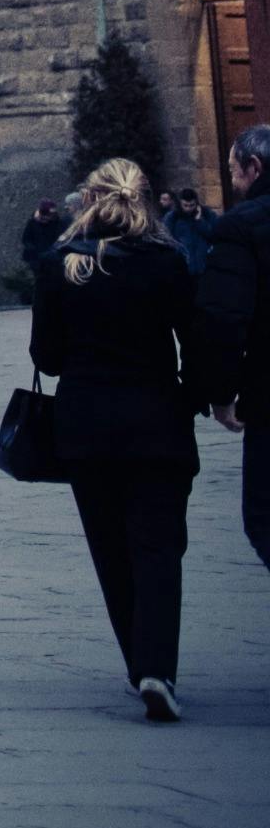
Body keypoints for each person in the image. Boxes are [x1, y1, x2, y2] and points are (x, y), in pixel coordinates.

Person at [29, 158, 205, 721]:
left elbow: (46, 357)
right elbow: (194, 338)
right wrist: (203, 393)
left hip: (86, 427)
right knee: (159, 547)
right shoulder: (167, 261)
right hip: (157, 422)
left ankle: (138, 665)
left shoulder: (60, 263)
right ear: (144, 199)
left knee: (111, 549)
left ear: (90, 199)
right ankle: (157, 668)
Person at [191, 123, 267, 578]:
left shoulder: (240, 227)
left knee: (264, 517)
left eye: (235, 171)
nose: (233, 181)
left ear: (255, 168)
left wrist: (220, 394)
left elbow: (222, 318)